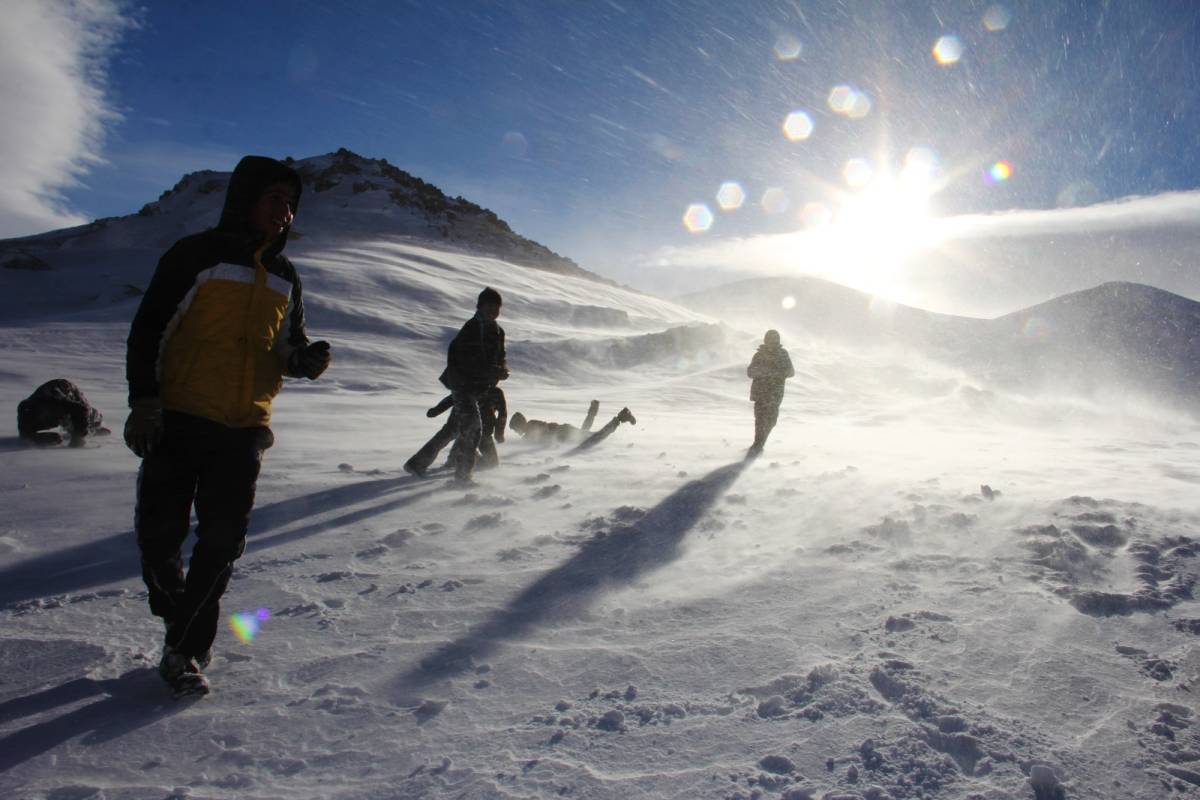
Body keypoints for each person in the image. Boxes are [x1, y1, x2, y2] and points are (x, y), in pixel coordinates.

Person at [124, 155, 332, 696]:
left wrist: (304, 360)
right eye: (274, 200)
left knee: (221, 544)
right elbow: (149, 328)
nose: (284, 213)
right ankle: (177, 615)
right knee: (157, 540)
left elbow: (286, 346)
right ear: (246, 199)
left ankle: (186, 650)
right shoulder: (197, 256)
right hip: (179, 418)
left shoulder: (286, 278)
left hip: (242, 428)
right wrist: (145, 402)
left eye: (290, 204)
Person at [436, 287, 508, 482]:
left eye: (497, 307)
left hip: (481, 387)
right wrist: (489, 371)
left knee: (455, 428)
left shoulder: (498, 331)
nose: (493, 310)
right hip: (462, 385)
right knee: (473, 427)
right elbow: (464, 360)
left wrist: (501, 370)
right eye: (489, 306)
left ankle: (426, 463)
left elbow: (500, 357)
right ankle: (462, 477)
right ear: (480, 306)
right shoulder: (472, 328)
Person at [404, 386, 507, 476]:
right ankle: (416, 464)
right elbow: (451, 399)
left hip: (483, 430)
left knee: (492, 464)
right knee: (443, 438)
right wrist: (436, 410)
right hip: (460, 420)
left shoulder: (495, 392)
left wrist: (499, 432)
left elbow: (502, 413)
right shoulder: (469, 385)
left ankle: (457, 457)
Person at [508, 400, 635, 451]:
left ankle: (620, 417)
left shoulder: (530, 426)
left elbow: (544, 431)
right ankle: (593, 410)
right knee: (586, 433)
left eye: (515, 428)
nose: (515, 431)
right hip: (565, 431)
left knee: (595, 438)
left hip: (564, 433)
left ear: (520, 424)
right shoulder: (529, 430)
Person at [17, 379, 110, 447]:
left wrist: (78, 438)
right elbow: (26, 437)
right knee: (70, 420)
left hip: (66, 390)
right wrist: (47, 438)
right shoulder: (26, 416)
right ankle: (79, 428)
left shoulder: (59, 402)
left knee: (87, 415)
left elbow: (82, 409)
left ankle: (95, 425)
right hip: (51, 400)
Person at [745, 329, 794, 454]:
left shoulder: (783, 354)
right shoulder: (759, 355)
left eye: (775, 339)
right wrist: (763, 372)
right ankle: (757, 445)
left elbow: (790, 372)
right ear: (765, 340)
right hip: (761, 394)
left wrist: (774, 373)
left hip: (775, 394)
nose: (772, 341)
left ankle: (759, 444)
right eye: (770, 339)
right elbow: (750, 372)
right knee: (760, 420)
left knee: (772, 421)